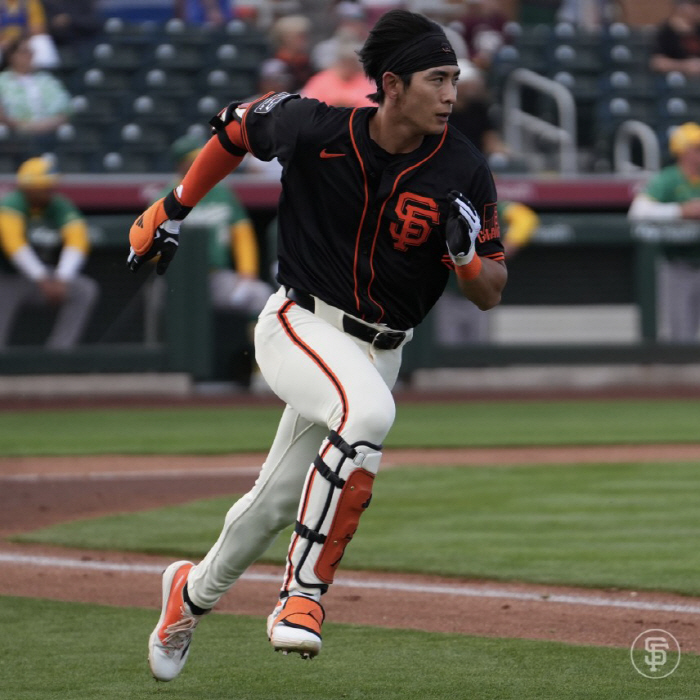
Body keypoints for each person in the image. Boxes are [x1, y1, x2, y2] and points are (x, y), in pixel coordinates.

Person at [127, 8, 506, 682]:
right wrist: (171, 207)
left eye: (455, 78)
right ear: (392, 84)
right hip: (300, 324)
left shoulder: (464, 167)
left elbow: (491, 291)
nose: (452, 93)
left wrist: (470, 261)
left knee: (274, 501)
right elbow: (236, 128)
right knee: (368, 417)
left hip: (379, 352)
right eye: (437, 78)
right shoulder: (317, 126)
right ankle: (303, 596)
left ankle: (189, 593)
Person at [160, 133, 274, 318]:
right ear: (180, 164)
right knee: (157, 303)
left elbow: (242, 235)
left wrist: (247, 275)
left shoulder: (222, 193)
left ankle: (256, 346)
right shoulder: (165, 196)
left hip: (216, 276)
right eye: (193, 160)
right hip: (176, 278)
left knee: (260, 295)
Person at [0, 156, 98, 349]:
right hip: (7, 278)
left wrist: (62, 278)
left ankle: (59, 352)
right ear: (30, 186)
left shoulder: (58, 205)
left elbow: (77, 240)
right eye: (45, 185)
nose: (50, 189)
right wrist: (42, 278)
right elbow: (14, 245)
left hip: (44, 279)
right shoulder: (11, 203)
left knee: (84, 289)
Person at [628, 121, 700, 342]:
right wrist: (680, 211)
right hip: (679, 264)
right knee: (681, 336)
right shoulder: (669, 178)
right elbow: (638, 212)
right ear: (682, 152)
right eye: (696, 148)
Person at [435, 199, 538, 344]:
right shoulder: (443, 203)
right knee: (446, 348)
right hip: (447, 291)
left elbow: (526, 218)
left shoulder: (492, 206)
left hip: (480, 289)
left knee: (478, 348)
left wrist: (509, 245)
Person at [0, 34, 71, 151]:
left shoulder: (47, 80)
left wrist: (40, 127)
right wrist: (22, 127)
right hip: (14, 139)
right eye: (24, 52)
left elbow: (65, 110)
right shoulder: (2, 81)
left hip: (50, 136)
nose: (29, 56)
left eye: (31, 52)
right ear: (12, 56)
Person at [300, 37, 375, 108]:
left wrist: (350, 104)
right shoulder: (321, 80)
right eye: (344, 62)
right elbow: (308, 104)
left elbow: (374, 106)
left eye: (351, 62)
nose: (347, 66)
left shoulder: (366, 81)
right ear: (338, 62)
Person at [0, 0, 60, 68]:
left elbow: (38, 28)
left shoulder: (30, 2)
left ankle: (45, 73)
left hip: (25, 39)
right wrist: (4, 39)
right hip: (3, 41)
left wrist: (21, 40)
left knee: (41, 40)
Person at [650, 0, 700, 77]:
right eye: (693, 5)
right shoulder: (666, 31)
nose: (696, 9)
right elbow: (658, 62)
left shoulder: (697, 28)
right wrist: (686, 66)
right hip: (675, 79)